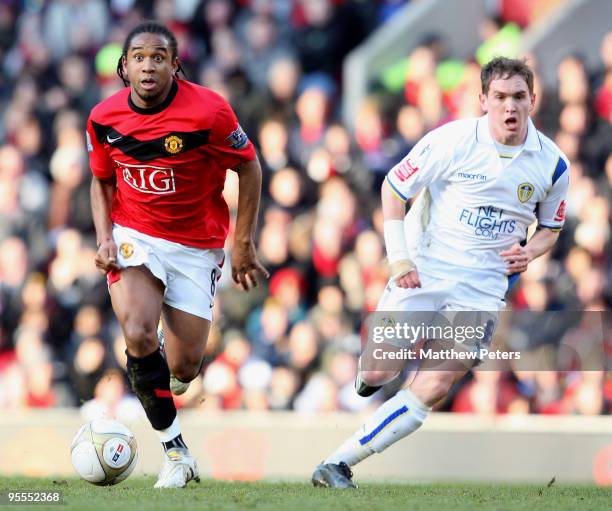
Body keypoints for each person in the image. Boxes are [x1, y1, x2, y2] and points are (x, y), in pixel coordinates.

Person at [311, 57, 569, 488]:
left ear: (533, 100)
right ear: (483, 100)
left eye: (519, 97)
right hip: (424, 268)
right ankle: (367, 374)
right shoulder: (452, 140)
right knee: (379, 371)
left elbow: (550, 229)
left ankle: (338, 463)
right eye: (501, 97)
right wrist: (399, 258)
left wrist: (531, 252)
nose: (510, 106)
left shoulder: (553, 164)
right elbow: (394, 187)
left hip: (482, 288)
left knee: (433, 385)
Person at [86, 21, 268, 489]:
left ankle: (165, 371)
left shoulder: (208, 112)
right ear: (124, 67)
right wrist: (105, 237)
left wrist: (243, 242)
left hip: (195, 244)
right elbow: (102, 180)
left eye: (159, 57)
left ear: (175, 65)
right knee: (138, 331)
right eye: (140, 57)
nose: (149, 65)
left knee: (185, 368)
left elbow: (249, 165)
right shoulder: (103, 118)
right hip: (135, 234)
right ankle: (176, 453)